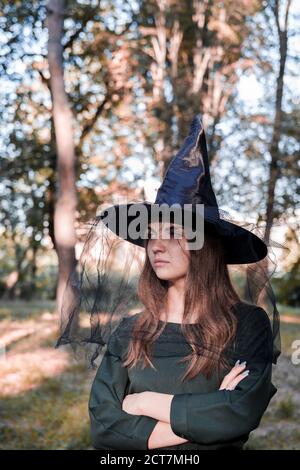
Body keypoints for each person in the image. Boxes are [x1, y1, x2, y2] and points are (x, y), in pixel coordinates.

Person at [56, 114, 281, 450]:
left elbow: (241, 413)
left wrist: (142, 402)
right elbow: (104, 427)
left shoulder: (248, 325)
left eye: (174, 233)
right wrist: (207, 417)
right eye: (152, 234)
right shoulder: (130, 330)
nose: (156, 245)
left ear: (204, 246)